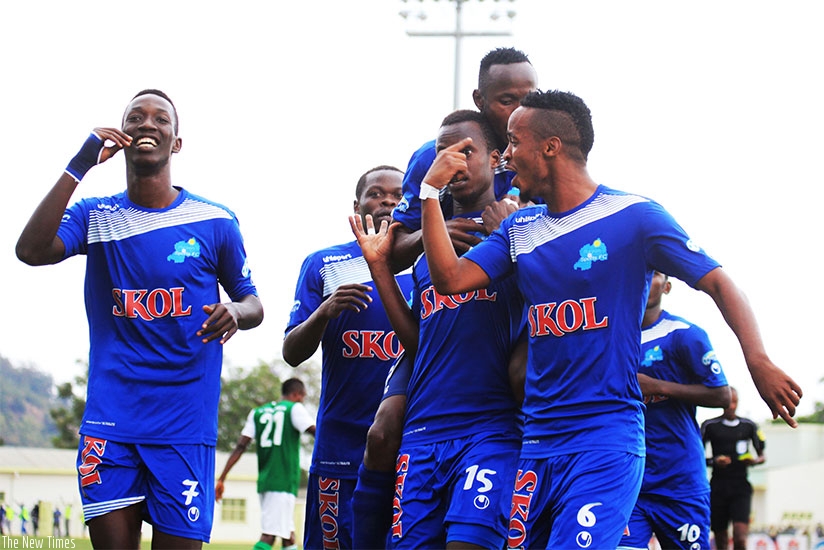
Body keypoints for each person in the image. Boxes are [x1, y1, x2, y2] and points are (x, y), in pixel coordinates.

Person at [417, 89, 802, 548]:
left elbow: (719, 282)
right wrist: (428, 193)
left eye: (515, 142)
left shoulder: (633, 216)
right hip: (537, 443)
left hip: (604, 440)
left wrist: (758, 360)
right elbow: (450, 280)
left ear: (550, 147)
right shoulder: (520, 230)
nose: (507, 155)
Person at [15, 89, 264, 549]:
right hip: (110, 423)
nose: (147, 123)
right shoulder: (96, 215)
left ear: (177, 142)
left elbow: (253, 304)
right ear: (122, 135)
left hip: (183, 425)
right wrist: (79, 164)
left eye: (160, 119)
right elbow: (30, 250)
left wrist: (234, 310)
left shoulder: (215, 221)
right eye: (136, 117)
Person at [350, 110, 527, 548]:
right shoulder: (430, 247)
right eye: (442, 154)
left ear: (495, 159)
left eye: (465, 151)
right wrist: (380, 268)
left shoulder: (522, 228)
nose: (453, 162)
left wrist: (511, 235)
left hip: (490, 430)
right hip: (424, 431)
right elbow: (419, 342)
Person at [282, 165, 414, 549]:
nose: (387, 201)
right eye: (376, 193)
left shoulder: (430, 263)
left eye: (398, 195)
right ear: (357, 206)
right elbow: (292, 352)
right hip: (340, 448)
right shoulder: (324, 264)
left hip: (409, 444)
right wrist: (324, 312)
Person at [390, 46, 538, 271]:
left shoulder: (543, 157)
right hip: (449, 284)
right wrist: (433, 233)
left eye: (529, 100)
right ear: (479, 99)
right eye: (507, 101)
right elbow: (393, 255)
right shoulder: (432, 157)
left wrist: (525, 221)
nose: (520, 111)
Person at [617, 271, 731, 550]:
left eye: (654, 273)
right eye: (639, 270)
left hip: (679, 481)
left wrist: (658, 386)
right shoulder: (612, 338)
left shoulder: (685, 334)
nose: (645, 278)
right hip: (628, 480)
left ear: (667, 287)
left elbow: (722, 395)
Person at [215, 378, 316, 550]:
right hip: (283, 480)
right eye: (303, 397)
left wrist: (222, 478)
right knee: (269, 535)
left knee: (288, 536)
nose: (302, 401)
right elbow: (316, 432)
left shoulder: (257, 413)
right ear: (297, 394)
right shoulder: (294, 409)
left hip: (266, 480)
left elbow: (240, 446)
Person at [701, 387, 766, 550]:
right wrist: (714, 461)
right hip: (718, 486)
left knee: (740, 538)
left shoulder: (749, 426)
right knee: (721, 540)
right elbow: (696, 456)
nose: (731, 406)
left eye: (734, 402)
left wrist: (753, 461)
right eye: (728, 402)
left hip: (740, 486)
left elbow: (762, 456)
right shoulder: (709, 425)